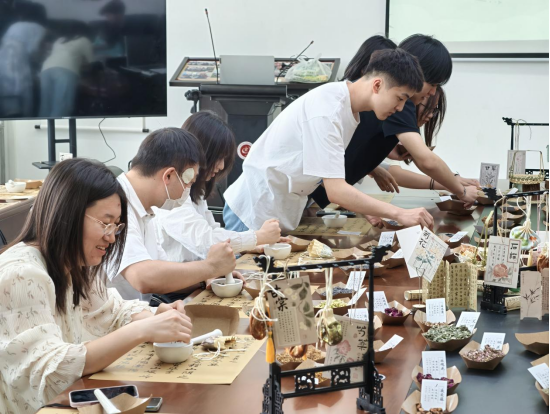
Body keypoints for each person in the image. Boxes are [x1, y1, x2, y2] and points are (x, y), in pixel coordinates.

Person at [0, 159, 193, 414]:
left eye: (116, 225)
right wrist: (142, 330)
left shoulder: (76, 265)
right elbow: (51, 373)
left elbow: (112, 312)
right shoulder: (21, 275)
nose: (111, 237)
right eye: (105, 222)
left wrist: (155, 317)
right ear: (67, 214)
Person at [224, 48, 434, 233]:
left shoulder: (348, 109)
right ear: (377, 85)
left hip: (277, 211)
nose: (400, 108)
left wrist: (366, 207)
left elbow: (328, 174)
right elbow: (336, 190)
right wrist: (399, 213)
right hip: (253, 212)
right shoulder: (328, 110)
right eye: (400, 98)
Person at [311, 34, 479, 209]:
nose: (432, 92)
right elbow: (426, 160)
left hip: (318, 189)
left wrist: (373, 167)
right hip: (315, 189)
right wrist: (461, 191)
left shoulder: (394, 99)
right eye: (433, 84)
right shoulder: (400, 101)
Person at [109, 127, 238, 302]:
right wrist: (210, 267)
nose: (188, 190)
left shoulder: (146, 209)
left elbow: (163, 273)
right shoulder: (115, 205)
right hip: (114, 316)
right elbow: (142, 277)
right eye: (189, 183)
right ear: (169, 176)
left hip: (138, 311)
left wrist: (206, 278)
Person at [154, 111, 283, 263]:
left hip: (197, 273)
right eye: (218, 157)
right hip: (182, 276)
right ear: (201, 153)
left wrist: (249, 245)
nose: (221, 166)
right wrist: (258, 237)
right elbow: (205, 242)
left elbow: (212, 230)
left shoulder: (194, 190)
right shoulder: (172, 192)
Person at [40, 21, 95, 118]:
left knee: (46, 106)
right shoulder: (84, 40)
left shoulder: (60, 40)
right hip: (65, 71)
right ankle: (58, 127)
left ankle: (42, 126)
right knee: (62, 106)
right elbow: (91, 63)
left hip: (46, 70)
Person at [0, 21, 46, 118]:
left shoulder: (14, 30)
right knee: (20, 82)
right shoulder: (40, 31)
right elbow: (34, 49)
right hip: (15, 97)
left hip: (5, 50)